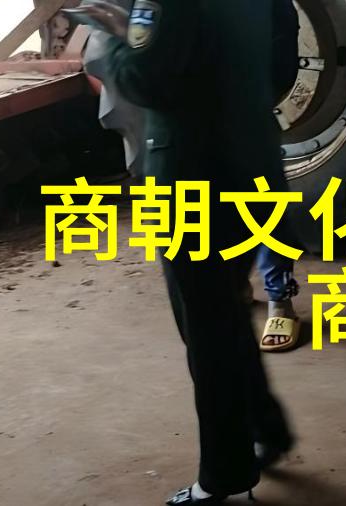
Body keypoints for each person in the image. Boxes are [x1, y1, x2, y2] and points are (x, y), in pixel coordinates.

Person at [103, 0, 299, 503]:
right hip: (255, 165)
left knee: (206, 330)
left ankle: (223, 478)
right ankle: (266, 429)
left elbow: (147, 80)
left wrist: (118, 40)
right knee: (224, 313)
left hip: (193, 178)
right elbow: (282, 67)